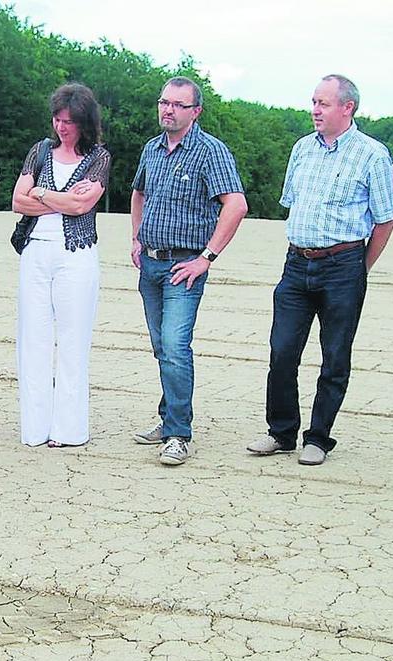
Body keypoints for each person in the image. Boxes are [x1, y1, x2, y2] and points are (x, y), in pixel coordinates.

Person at [246, 74, 393, 465]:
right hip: (296, 264)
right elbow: (291, 201)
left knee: (334, 356)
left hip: (343, 266)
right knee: (281, 351)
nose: (315, 110)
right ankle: (281, 432)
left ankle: (319, 437)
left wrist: (359, 267)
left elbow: (385, 220)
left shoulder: (372, 154)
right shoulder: (302, 149)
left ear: (348, 108)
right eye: (313, 101)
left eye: (324, 103)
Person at [129, 76, 248, 466]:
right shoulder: (151, 149)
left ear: (195, 111)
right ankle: (167, 420)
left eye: (178, 105)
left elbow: (236, 205)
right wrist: (136, 238)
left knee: (176, 348)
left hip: (185, 266)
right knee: (163, 348)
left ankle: (179, 433)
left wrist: (206, 257)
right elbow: (139, 193)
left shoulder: (210, 152)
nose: (168, 110)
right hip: (150, 262)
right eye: (164, 102)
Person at [11, 83, 110, 447]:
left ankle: (69, 430)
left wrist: (40, 193)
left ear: (85, 121)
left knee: (72, 341)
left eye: (69, 121)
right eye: (57, 119)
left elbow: (82, 206)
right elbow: (18, 202)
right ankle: (35, 429)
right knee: (32, 340)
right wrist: (57, 198)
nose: (62, 127)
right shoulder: (39, 151)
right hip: (36, 251)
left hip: (77, 255)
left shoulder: (98, 157)